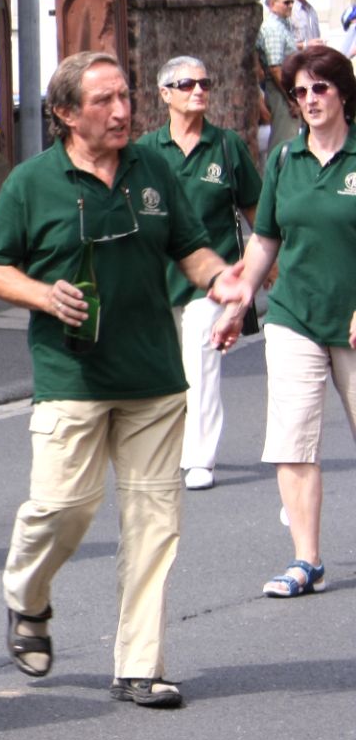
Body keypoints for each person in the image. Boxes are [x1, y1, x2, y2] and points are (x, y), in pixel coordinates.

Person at [0, 51, 231, 710]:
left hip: (154, 375)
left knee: (154, 522)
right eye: (103, 102)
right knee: (63, 507)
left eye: (126, 96)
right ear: (64, 113)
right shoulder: (32, 182)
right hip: (72, 374)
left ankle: (140, 664)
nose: (122, 111)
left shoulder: (155, 170)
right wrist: (41, 293)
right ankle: (26, 597)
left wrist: (221, 279)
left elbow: (191, 246)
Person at [210, 44, 356, 600]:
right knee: (293, 442)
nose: (310, 99)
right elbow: (266, 238)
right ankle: (306, 560)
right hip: (295, 314)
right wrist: (240, 299)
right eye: (299, 91)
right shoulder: (285, 161)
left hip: (350, 318)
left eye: (320, 87)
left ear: (342, 91)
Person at [138, 56, 260, 491]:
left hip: (213, 281)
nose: (199, 90)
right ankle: (168, 447)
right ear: (165, 93)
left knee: (201, 363)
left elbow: (255, 211)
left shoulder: (227, 147)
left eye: (205, 83)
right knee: (164, 371)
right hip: (157, 280)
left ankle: (199, 457)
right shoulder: (145, 152)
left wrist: (268, 265)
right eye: (187, 83)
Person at [259, 0, 305, 155]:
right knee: (283, 144)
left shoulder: (282, 25)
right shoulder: (273, 28)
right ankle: (276, 180)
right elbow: (275, 68)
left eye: (292, 2)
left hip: (286, 90)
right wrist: (291, 99)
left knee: (291, 140)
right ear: (272, 4)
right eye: (286, 3)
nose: (291, 6)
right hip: (281, 93)